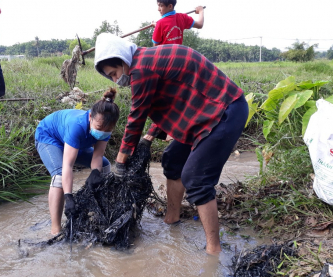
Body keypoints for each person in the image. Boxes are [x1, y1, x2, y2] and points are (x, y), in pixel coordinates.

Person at [94, 33, 248, 255]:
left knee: (196, 179)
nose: (116, 80)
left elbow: (136, 117)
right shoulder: (145, 60)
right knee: (173, 160)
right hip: (202, 112)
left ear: (122, 59)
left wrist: (120, 160)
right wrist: (148, 139)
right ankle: (172, 218)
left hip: (225, 110)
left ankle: (214, 251)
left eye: (115, 73)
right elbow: (166, 100)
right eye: (111, 77)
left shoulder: (141, 69)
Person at [35, 88, 120, 236]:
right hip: (49, 137)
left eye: (108, 129)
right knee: (59, 177)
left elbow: (98, 156)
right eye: (99, 128)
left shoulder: (105, 127)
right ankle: (55, 229)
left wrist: (95, 172)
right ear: (90, 118)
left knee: (105, 166)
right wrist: (69, 196)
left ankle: (101, 211)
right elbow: (68, 165)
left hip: (74, 143)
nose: (103, 131)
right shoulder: (77, 125)